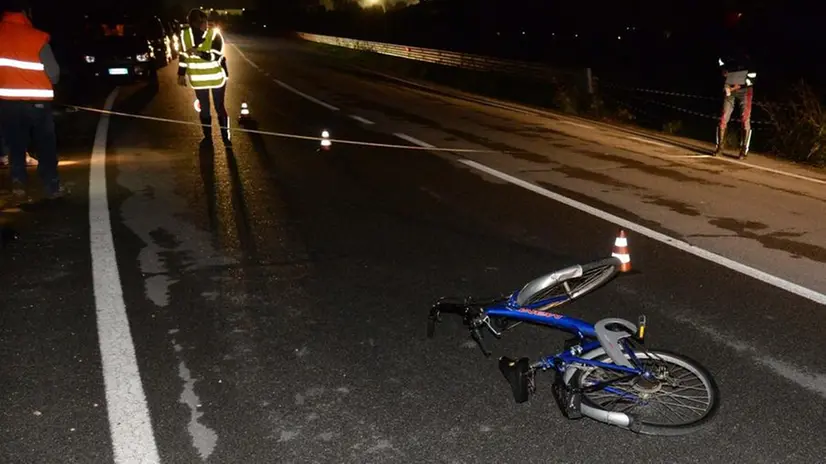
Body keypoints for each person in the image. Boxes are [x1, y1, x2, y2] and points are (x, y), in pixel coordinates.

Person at [0, 0, 62, 197]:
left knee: (16, 143)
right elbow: (54, 74)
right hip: (38, 103)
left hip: (7, 103)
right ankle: (51, 185)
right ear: (26, 14)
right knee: (45, 143)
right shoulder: (37, 38)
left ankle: (18, 182)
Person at [177, 9, 231, 146]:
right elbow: (183, 55)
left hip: (216, 78)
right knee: (205, 109)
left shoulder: (214, 35)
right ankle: (208, 138)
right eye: (201, 22)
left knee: (219, 107)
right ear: (194, 23)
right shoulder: (185, 35)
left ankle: (226, 137)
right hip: (199, 80)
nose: (205, 25)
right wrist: (181, 73)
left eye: (205, 21)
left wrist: (200, 53)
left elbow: (216, 56)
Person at [713, 39, 756, 159]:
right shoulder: (727, 57)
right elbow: (720, 62)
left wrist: (738, 86)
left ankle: (744, 150)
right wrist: (723, 72)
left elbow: (752, 78)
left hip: (744, 91)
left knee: (745, 118)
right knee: (723, 117)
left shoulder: (748, 61)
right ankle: (719, 146)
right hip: (730, 89)